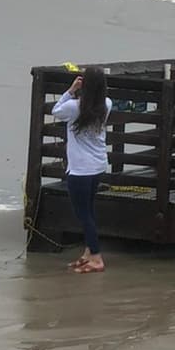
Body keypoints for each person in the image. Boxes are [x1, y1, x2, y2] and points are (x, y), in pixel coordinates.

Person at [51, 68, 113, 274]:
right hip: (98, 165)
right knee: (89, 210)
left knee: (83, 214)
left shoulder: (73, 107)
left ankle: (96, 257)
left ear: (84, 84)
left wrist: (71, 89)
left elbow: (55, 111)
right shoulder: (107, 104)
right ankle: (88, 253)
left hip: (79, 169)